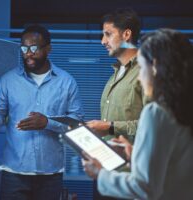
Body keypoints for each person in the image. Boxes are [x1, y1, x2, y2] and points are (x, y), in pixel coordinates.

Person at [82, 28, 193, 200]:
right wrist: (136, 155)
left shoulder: (156, 112)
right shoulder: (183, 108)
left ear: (155, 66)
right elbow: (177, 165)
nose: (140, 78)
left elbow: (144, 188)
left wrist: (100, 173)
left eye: (141, 67)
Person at [0, 24, 84, 200]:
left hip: (50, 174)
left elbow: (77, 123)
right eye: (24, 48)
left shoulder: (66, 82)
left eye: (34, 48)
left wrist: (47, 123)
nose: (28, 53)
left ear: (48, 48)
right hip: (14, 173)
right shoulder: (8, 80)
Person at [86, 8, 145, 142]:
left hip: (135, 161)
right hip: (112, 160)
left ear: (126, 34)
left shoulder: (146, 73)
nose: (103, 41)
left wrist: (110, 127)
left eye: (108, 34)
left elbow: (155, 125)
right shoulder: (114, 77)